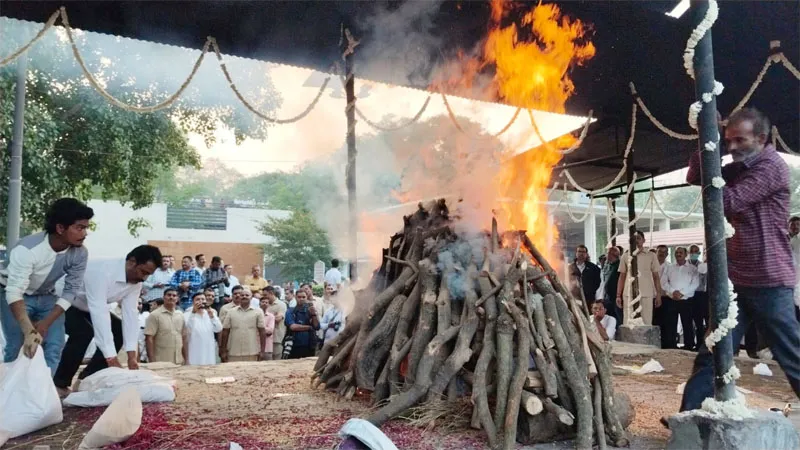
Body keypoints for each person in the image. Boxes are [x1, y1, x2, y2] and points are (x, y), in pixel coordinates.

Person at [679, 108, 800, 411]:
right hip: (737, 279)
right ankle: (690, 415)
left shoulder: (770, 167)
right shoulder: (741, 164)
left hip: (768, 279)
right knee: (715, 349)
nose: (731, 148)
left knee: (791, 354)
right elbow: (695, 176)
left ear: (761, 139)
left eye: (739, 140)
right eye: (728, 140)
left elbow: (727, 200)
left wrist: (714, 162)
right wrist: (708, 138)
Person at [0, 198, 93, 374]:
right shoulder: (27, 250)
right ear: (60, 228)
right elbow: (14, 292)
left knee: (55, 345)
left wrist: (45, 324)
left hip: (47, 296)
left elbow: (71, 290)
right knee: (17, 346)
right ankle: (11, 395)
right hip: (14, 296)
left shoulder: (80, 253)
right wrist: (29, 330)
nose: (85, 233)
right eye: (80, 228)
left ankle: (44, 393)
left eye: (86, 228)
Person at [53, 245, 161, 396]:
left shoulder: (136, 282)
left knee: (118, 329)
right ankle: (60, 383)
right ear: (131, 261)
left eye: (148, 275)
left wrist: (132, 356)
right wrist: (111, 357)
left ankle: (87, 379)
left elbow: (130, 315)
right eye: (143, 272)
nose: (144, 278)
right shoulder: (100, 271)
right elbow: (99, 313)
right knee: (83, 332)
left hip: (87, 305)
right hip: (62, 300)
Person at [616, 230, 662, 326]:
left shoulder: (651, 255)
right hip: (629, 295)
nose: (636, 241)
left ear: (644, 240)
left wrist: (658, 294)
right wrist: (618, 295)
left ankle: (645, 342)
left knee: (646, 322)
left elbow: (656, 277)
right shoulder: (625, 256)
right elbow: (622, 276)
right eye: (633, 239)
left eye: (638, 238)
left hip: (646, 294)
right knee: (629, 323)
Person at [663, 247, 699, 351]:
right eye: (677, 252)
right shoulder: (669, 267)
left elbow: (695, 284)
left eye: (681, 252)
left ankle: (689, 345)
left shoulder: (692, 268)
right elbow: (664, 282)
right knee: (671, 323)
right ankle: (671, 345)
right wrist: (673, 291)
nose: (678, 254)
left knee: (687, 323)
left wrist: (682, 293)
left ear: (686, 254)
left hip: (686, 300)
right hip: (672, 299)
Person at [220, 290, 268, 362]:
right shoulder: (230, 312)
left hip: (252, 352)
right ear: (239, 298)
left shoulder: (258, 312)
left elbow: (262, 332)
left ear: (251, 298)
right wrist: (223, 351)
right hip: (233, 352)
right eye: (242, 295)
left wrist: (262, 351)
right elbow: (225, 332)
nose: (244, 297)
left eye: (247, 295)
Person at [144, 287, 187, 365]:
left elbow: (183, 338)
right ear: (164, 297)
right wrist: (152, 361)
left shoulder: (180, 315)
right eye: (169, 295)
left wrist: (186, 359)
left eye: (174, 296)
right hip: (161, 361)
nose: (171, 297)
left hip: (179, 361)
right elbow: (149, 339)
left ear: (177, 299)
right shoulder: (154, 315)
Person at [184, 291, 222, 365]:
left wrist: (212, 317)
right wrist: (194, 312)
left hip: (208, 349)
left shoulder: (211, 313)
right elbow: (188, 330)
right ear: (193, 302)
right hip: (194, 349)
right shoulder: (187, 314)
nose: (201, 301)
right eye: (198, 299)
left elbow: (218, 329)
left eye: (203, 299)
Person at [285, 289, 319, 358]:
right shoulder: (290, 311)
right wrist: (309, 327)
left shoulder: (310, 311)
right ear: (295, 297)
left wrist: (313, 315)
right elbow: (293, 327)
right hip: (294, 345)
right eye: (299, 297)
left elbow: (317, 327)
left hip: (309, 345)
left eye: (303, 297)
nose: (301, 299)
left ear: (307, 297)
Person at [687, 245, 709, 341]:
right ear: (688, 253)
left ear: (699, 253)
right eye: (692, 251)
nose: (694, 253)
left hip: (700, 295)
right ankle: (690, 343)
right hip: (687, 295)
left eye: (696, 251)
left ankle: (700, 343)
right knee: (688, 321)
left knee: (699, 321)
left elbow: (704, 281)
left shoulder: (702, 265)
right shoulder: (685, 265)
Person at [597, 246, 621, 322]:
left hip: (615, 297)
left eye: (608, 253)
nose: (606, 255)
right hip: (608, 297)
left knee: (617, 317)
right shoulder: (608, 265)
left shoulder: (619, 265)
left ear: (612, 254)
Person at [264, 286, 287, 360]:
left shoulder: (281, 304)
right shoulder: (264, 304)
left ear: (271, 293)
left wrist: (268, 318)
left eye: (265, 295)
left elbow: (278, 319)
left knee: (276, 361)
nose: (264, 297)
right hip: (265, 338)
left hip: (276, 338)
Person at [259, 296, 276, 360]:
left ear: (269, 304)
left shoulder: (271, 316)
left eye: (266, 302)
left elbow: (270, 331)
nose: (265, 303)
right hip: (256, 347)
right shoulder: (255, 314)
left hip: (267, 347)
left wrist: (259, 329)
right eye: (263, 302)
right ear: (259, 303)